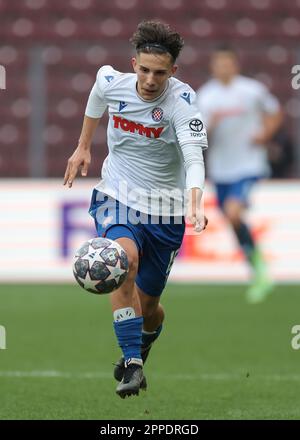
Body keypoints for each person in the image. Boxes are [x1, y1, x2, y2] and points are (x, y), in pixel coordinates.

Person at [64, 20, 208, 398]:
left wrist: (195, 199)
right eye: (143, 69)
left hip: (165, 210)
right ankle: (132, 363)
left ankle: (141, 346)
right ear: (134, 64)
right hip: (118, 194)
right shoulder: (113, 83)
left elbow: (193, 158)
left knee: (151, 307)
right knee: (122, 260)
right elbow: (96, 95)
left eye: (159, 73)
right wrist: (83, 146)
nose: (149, 79)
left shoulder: (183, 103)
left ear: (173, 72)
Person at [196, 45, 283, 304]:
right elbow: (198, 135)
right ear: (213, 67)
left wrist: (266, 134)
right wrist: (210, 126)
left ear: (235, 65)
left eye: (227, 63)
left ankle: (260, 270)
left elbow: (275, 112)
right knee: (232, 220)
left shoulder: (251, 90)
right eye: (218, 63)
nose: (223, 68)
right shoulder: (205, 96)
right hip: (221, 169)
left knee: (234, 212)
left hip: (249, 165)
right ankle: (257, 267)